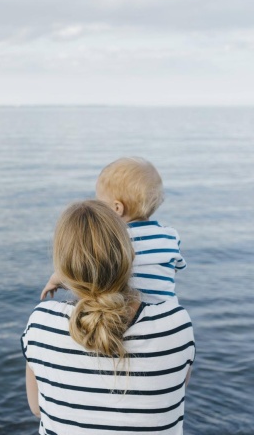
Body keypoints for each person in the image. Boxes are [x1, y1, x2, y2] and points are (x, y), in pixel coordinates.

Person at [22, 200, 195, 434]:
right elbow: (174, 391)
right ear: (131, 255)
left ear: (64, 267)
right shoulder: (176, 324)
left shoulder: (41, 325)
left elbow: (37, 408)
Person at [41, 157, 186, 304]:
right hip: (167, 311)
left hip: (128, 313)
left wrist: (55, 279)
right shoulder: (170, 236)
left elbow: (85, 266)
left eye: (100, 202)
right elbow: (173, 268)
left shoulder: (110, 240)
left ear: (117, 208)